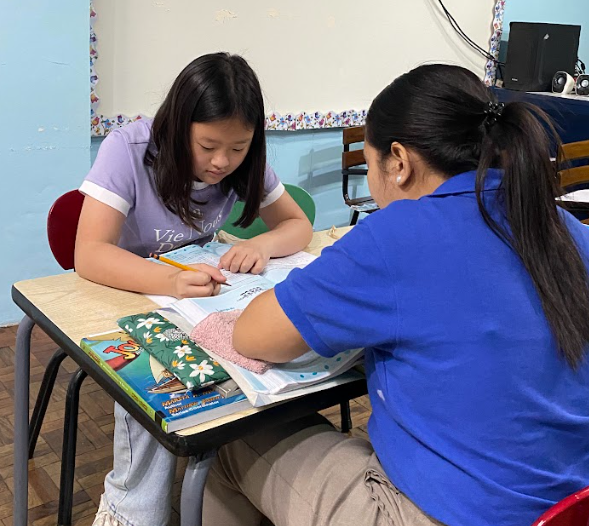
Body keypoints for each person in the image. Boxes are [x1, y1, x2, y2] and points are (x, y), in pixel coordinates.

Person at [203, 64, 589, 526]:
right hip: (568, 508)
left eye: (370, 166)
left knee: (227, 442)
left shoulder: (401, 235)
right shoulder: (566, 228)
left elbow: (252, 335)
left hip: (439, 513)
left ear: (400, 162)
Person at [75, 52, 313, 526]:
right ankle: (129, 510)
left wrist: (263, 244)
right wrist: (170, 281)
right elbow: (90, 253)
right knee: (158, 378)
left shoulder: (243, 160)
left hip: (197, 296)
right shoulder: (129, 148)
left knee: (255, 361)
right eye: (207, 145)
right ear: (178, 126)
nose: (221, 162)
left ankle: (215, 488)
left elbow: (297, 224)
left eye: (238, 147)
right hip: (130, 293)